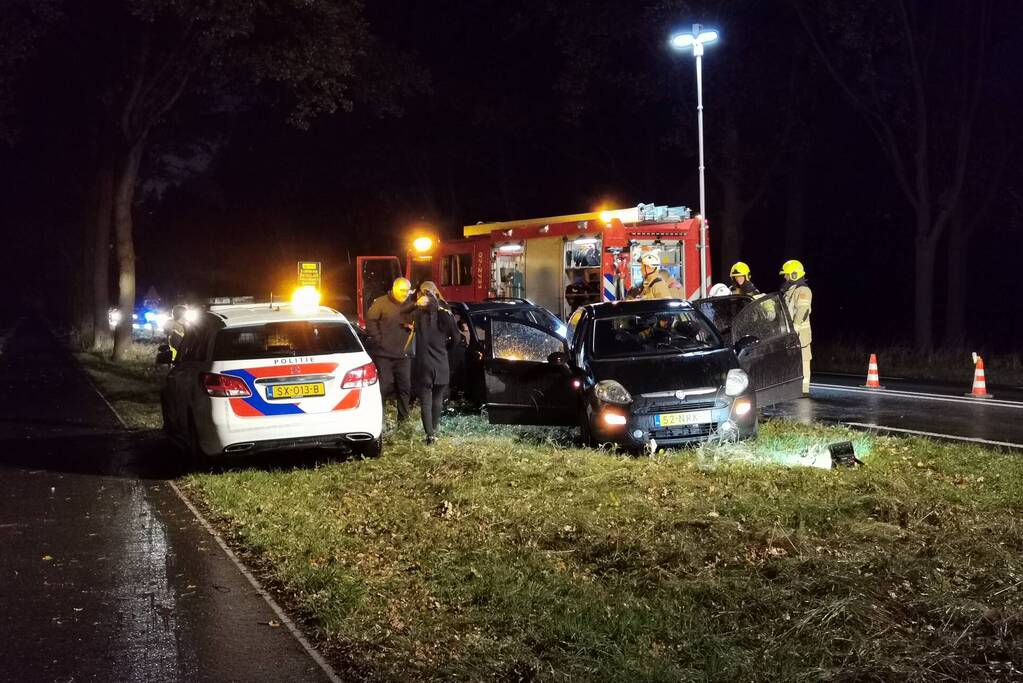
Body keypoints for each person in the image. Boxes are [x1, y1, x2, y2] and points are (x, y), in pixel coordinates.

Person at [409, 282, 460, 444]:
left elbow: (404, 313)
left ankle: (429, 434)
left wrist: (416, 304)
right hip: (441, 363)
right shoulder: (446, 314)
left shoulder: (418, 315)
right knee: (438, 399)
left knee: (426, 401)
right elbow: (457, 338)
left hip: (423, 364)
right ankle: (434, 431)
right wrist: (446, 349)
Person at [366, 277, 414, 423]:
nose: (405, 294)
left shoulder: (411, 305)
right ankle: (379, 418)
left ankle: (403, 420)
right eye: (402, 290)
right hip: (384, 355)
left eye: (407, 291)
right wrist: (379, 341)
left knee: (405, 387)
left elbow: (419, 321)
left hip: (404, 355)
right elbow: (371, 322)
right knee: (385, 386)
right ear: (394, 289)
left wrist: (414, 326)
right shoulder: (380, 303)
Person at [780, 259, 813, 396]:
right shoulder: (790, 291)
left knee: (804, 360)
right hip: (790, 333)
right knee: (791, 360)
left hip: (801, 333)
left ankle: (804, 390)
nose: (785, 277)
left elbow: (803, 310)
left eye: (787, 274)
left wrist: (796, 328)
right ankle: (792, 387)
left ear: (794, 274)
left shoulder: (802, 290)